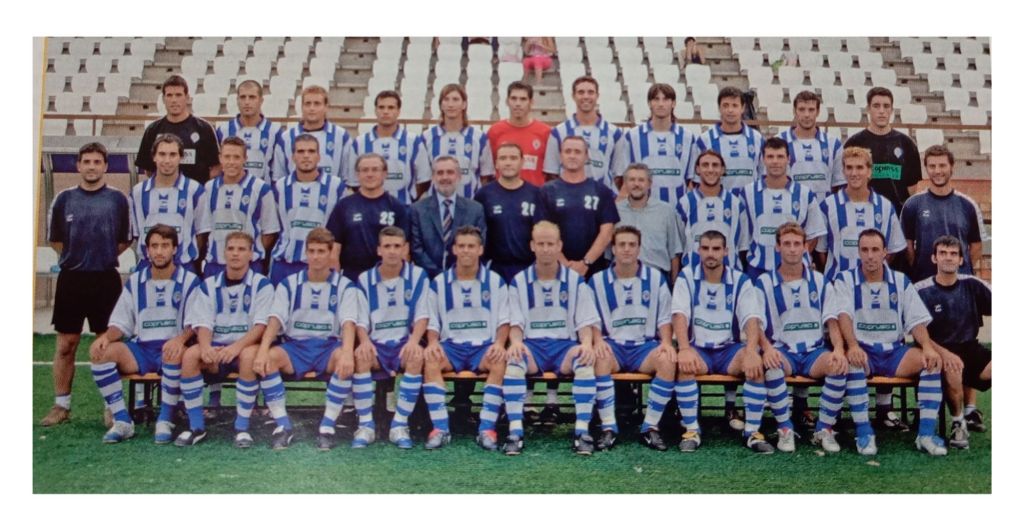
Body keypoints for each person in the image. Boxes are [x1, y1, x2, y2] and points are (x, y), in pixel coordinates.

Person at [822, 229, 961, 456]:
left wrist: (927, 347)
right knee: (853, 363)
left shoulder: (900, 280)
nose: (870, 256)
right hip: (864, 351)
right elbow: (843, 315)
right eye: (865, 250)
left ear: (885, 252)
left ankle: (925, 435)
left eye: (875, 250)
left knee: (931, 363)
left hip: (894, 351)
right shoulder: (845, 279)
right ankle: (864, 433)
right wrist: (853, 345)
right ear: (858, 252)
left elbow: (916, 321)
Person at [42, 142, 131, 427]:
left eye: (97, 162)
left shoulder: (118, 200)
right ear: (78, 165)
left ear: (106, 166)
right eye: (87, 162)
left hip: (105, 278)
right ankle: (61, 405)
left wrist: (101, 256)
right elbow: (55, 240)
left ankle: (111, 407)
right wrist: (77, 258)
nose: (92, 167)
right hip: (72, 279)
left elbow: (125, 239)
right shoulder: (64, 199)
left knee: (107, 345)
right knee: (66, 344)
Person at [88, 225, 201, 443]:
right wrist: (105, 338)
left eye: (165, 246)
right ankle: (122, 421)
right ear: (147, 251)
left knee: (174, 353)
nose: (159, 251)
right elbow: (121, 322)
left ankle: (165, 419)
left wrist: (180, 340)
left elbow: (196, 323)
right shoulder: (135, 281)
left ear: (174, 249)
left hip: (171, 348)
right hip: (142, 349)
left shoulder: (189, 281)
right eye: (154, 246)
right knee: (101, 353)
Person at [252, 228, 361, 450]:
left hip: (328, 347)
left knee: (344, 358)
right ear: (306, 253)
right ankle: (283, 425)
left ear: (330, 253)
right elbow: (275, 320)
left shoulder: (345, 286)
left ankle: (327, 426)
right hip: (295, 347)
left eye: (321, 251)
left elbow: (348, 323)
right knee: (268, 359)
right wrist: (262, 350)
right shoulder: (288, 284)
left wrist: (348, 353)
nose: (316, 256)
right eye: (312, 251)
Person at [672, 230, 779, 453]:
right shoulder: (686, 276)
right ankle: (691, 430)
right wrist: (684, 348)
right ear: (698, 250)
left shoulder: (740, 280)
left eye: (716, 249)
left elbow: (751, 318)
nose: (711, 253)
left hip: (729, 350)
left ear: (726, 251)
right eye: (706, 248)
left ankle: (752, 432)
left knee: (755, 364)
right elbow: (679, 314)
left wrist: (751, 350)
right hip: (699, 349)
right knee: (684, 365)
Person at [504, 221, 602, 455]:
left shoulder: (575, 281)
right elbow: (516, 323)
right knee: (514, 361)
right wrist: (516, 343)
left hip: (564, 347)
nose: (546, 249)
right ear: (532, 246)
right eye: (541, 244)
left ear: (559, 246)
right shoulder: (519, 281)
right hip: (533, 347)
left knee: (585, 361)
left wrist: (586, 344)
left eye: (550, 244)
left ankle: (581, 432)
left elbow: (584, 321)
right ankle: (515, 432)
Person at [755, 222, 851, 453]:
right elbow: (755, 323)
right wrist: (767, 348)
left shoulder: (820, 281)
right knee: (772, 367)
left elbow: (832, 321)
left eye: (797, 244)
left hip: (813, 352)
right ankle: (785, 428)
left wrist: (839, 349)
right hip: (783, 351)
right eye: (786, 244)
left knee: (838, 365)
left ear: (805, 247)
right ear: (777, 247)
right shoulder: (764, 283)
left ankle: (823, 429)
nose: (792, 249)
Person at [175, 231, 275, 447]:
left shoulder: (262, 284)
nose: (235, 254)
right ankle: (196, 426)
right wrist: (205, 347)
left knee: (249, 355)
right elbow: (202, 322)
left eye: (241, 249)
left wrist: (236, 347)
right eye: (231, 249)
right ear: (224, 253)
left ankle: (242, 427)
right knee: (191, 355)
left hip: (244, 347)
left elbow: (261, 326)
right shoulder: (208, 284)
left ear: (251, 254)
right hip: (217, 347)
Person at [422, 226, 511, 451]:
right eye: (461, 246)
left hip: (483, 347)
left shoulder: (495, 281)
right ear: (454, 249)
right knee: (431, 359)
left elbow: (504, 320)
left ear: (480, 249)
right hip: (451, 347)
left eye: (471, 246)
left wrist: (499, 344)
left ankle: (487, 429)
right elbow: (432, 321)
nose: (466, 251)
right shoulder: (439, 283)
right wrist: (432, 342)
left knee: (499, 360)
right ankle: (440, 429)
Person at [590, 226, 676, 451]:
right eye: (622, 245)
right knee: (599, 358)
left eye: (632, 245)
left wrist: (666, 343)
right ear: (613, 249)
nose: (626, 249)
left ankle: (650, 427)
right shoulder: (597, 281)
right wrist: (598, 341)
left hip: (644, 347)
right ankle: (608, 427)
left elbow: (664, 318)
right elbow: (591, 319)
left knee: (667, 360)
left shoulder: (656, 278)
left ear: (639, 248)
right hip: (613, 346)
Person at [352, 227, 431, 449]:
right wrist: (364, 341)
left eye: (397, 246)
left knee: (416, 356)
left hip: (404, 343)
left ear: (405, 249)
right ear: (379, 250)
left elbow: (423, 315)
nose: (392, 251)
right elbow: (360, 320)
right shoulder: (365, 279)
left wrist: (414, 341)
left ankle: (399, 425)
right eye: (387, 246)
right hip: (376, 344)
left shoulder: (418, 276)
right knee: (361, 356)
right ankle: (366, 425)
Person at [915, 235, 991, 445]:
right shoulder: (921, 290)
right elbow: (916, 330)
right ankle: (958, 424)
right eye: (943, 253)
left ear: (961, 260)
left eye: (953, 254)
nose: (948, 258)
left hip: (969, 347)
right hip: (936, 350)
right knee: (953, 367)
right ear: (934, 258)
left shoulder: (973, 284)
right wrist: (944, 353)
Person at [736, 137, 826, 281]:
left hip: (794, 269)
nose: (775, 161)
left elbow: (813, 234)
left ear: (788, 159)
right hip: (758, 268)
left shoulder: (804, 193)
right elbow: (743, 236)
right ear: (763, 159)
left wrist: (796, 258)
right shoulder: (747, 193)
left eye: (780, 156)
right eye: (770, 156)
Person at [816, 146, 905, 282]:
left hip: (874, 284)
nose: (854, 173)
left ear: (869, 171)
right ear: (843, 171)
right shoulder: (828, 205)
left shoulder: (885, 206)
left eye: (859, 167)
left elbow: (892, 249)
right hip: (838, 285)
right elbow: (822, 251)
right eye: (849, 168)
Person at [268, 134, 346, 285]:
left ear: (319, 156)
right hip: (285, 263)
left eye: (311, 151)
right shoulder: (280, 187)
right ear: (293, 157)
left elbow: (341, 229)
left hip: (320, 264)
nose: (306, 156)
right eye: (300, 151)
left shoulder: (336, 187)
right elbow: (272, 227)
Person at [196, 136, 280, 278]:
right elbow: (205, 229)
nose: (231, 162)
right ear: (220, 158)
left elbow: (269, 232)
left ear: (245, 159)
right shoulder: (209, 188)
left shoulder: (261, 189)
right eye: (227, 157)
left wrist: (248, 254)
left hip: (250, 266)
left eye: (236, 157)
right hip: (215, 265)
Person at [901, 144, 987, 282]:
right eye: (932, 166)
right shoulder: (913, 204)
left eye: (942, 166)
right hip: (924, 283)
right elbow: (907, 246)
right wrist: (920, 269)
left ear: (952, 167)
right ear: (926, 168)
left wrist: (958, 269)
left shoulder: (968, 205)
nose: (937, 171)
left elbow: (976, 246)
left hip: (959, 284)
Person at [540, 136, 619, 279]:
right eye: (568, 151)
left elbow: (607, 233)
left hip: (594, 270)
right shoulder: (546, 191)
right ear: (560, 156)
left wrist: (586, 262)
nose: (572, 156)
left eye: (577, 152)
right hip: (556, 269)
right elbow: (543, 232)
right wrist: (564, 264)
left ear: (586, 156)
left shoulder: (602, 191)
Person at [327, 153, 410, 281]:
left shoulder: (398, 207)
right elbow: (334, 250)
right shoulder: (344, 206)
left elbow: (404, 250)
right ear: (357, 174)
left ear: (385, 173)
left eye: (375, 170)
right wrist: (337, 282)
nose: (369, 174)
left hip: (385, 279)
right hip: (351, 278)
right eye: (365, 170)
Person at [129, 133, 205, 273]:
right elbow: (137, 234)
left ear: (181, 157)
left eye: (173, 154)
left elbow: (201, 233)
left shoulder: (195, 190)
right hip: (148, 267)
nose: (167, 160)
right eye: (162, 154)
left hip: (184, 267)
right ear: (154, 157)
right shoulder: (137, 192)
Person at [474, 143, 546, 283]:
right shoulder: (484, 194)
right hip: (494, 268)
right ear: (496, 164)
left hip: (528, 267)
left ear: (522, 162)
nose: (508, 163)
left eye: (513, 158)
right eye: (503, 158)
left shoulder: (536, 194)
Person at [844, 87, 922, 214]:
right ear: (868, 109)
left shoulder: (907, 144)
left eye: (886, 106)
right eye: (876, 106)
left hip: (896, 215)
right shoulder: (854, 143)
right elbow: (846, 183)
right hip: (863, 214)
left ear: (892, 110)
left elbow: (912, 190)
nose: (881, 111)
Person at [543, 75, 626, 193]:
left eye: (590, 92)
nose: (586, 96)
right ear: (573, 96)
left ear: (597, 96)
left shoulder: (614, 133)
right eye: (581, 92)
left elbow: (619, 174)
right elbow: (552, 173)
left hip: (603, 200)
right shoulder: (558, 132)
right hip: (569, 198)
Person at [348, 90, 431, 204]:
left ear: (398, 111)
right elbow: (354, 182)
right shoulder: (359, 142)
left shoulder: (413, 141)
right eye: (381, 107)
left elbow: (424, 179)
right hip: (370, 208)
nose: (385, 112)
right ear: (375, 110)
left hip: (404, 208)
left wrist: (411, 198)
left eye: (391, 108)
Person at [619, 83, 698, 202]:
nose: (661, 104)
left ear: (673, 103)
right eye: (656, 99)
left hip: (677, 209)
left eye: (665, 99)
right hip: (642, 209)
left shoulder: (688, 137)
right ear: (649, 103)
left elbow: (691, 181)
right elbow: (624, 179)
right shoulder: (632, 137)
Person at [410, 156, 487, 279]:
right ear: (433, 177)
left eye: (450, 172)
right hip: (429, 278)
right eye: (440, 173)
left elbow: (480, 244)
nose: (445, 177)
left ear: (459, 176)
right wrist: (440, 276)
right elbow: (417, 249)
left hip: (463, 277)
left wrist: (456, 273)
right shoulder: (417, 209)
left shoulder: (475, 209)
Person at [135, 75, 220, 184]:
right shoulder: (152, 130)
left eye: (178, 95)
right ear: (163, 99)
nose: (174, 100)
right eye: (169, 95)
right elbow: (148, 169)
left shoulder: (204, 128)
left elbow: (217, 166)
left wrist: (198, 187)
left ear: (187, 98)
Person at [676, 150, 747, 271]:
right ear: (697, 169)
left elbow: (742, 246)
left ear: (723, 170)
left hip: (729, 274)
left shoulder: (736, 204)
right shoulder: (685, 203)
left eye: (715, 165)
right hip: (693, 274)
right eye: (705, 165)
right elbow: (679, 246)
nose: (710, 170)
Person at [421, 84, 495, 198]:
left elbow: (486, 176)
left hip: (470, 204)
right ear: (441, 105)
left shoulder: (479, 138)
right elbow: (423, 178)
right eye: (446, 99)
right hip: (436, 205)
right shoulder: (427, 137)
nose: (450, 104)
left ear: (464, 104)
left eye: (455, 99)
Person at [615, 163, 685, 279]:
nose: (636, 184)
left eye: (641, 180)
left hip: (657, 277)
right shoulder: (615, 211)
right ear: (625, 183)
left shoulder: (666, 211)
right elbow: (608, 254)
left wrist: (674, 284)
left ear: (650, 184)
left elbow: (674, 252)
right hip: (622, 276)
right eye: (632, 180)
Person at [272, 85, 352, 183]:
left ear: (326, 107)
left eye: (317, 104)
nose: (312, 108)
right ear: (302, 107)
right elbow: (279, 179)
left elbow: (346, 178)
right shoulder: (286, 138)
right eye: (308, 104)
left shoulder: (341, 136)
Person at [777, 90, 845, 201]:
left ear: (818, 112)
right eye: (801, 109)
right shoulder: (779, 142)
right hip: (791, 208)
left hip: (824, 209)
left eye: (811, 110)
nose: (806, 115)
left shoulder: (833, 144)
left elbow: (840, 184)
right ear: (794, 111)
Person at [695, 86, 765, 191]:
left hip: (749, 200)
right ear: (719, 108)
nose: (730, 110)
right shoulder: (705, 140)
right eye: (725, 105)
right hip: (717, 200)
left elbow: (763, 175)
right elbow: (697, 181)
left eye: (735, 105)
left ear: (743, 108)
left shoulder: (757, 139)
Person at [215, 79, 284, 183]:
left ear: (261, 100)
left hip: (264, 192)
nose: (247, 102)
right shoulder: (223, 130)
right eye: (243, 97)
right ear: (237, 100)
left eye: (252, 97)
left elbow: (278, 173)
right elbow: (217, 169)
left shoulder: (274, 132)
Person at [487, 81, 552, 187]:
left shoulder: (545, 132)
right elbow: (489, 170)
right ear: (507, 101)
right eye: (514, 98)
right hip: (503, 194)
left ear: (531, 102)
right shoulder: (495, 131)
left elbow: (551, 172)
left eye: (523, 99)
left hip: (535, 194)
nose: (518, 103)